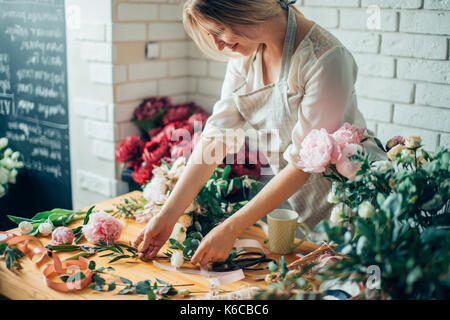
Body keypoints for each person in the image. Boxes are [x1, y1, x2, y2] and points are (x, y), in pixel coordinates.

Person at [132, 0, 380, 265]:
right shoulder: (244, 59)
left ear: (245, 8)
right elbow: (217, 137)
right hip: (303, 202)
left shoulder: (326, 59)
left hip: (354, 201)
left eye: (219, 30)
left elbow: (303, 164)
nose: (217, 45)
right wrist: (168, 215)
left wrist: (231, 227)